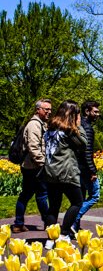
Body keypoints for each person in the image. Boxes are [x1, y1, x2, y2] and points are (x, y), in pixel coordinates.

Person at [40, 100, 87, 246]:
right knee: (77, 202)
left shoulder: (51, 128)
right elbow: (83, 144)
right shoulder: (68, 131)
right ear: (72, 115)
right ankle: (65, 233)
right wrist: (79, 125)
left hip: (51, 172)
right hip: (66, 172)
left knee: (54, 206)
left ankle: (50, 239)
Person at [13, 99, 51, 233]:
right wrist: (42, 163)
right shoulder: (34, 125)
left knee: (26, 194)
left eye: (50, 109)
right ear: (38, 110)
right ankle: (48, 223)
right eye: (46, 109)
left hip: (30, 165)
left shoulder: (40, 124)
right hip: (34, 166)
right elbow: (33, 146)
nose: (49, 112)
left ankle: (18, 224)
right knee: (42, 194)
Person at [73, 101, 101, 233]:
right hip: (85, 169)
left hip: (77, 167)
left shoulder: (79, 125)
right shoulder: (87, 128)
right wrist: (93, 171)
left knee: (80, 198)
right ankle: (73, 220)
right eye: (95, 111)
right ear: (87, 111)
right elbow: (87, 151)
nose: (97, 114)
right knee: (95, 195)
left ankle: (75, 226)